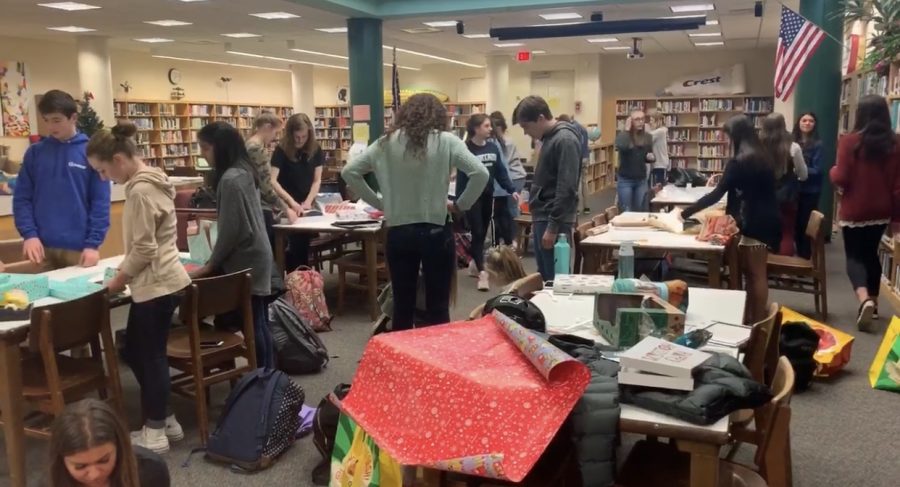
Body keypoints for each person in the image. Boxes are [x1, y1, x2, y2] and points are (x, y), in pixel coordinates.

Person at [85, 122, 191, 454]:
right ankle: (166, 419)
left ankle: (155, 431)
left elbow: (144, 249)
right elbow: (147, 246)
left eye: (103, 171)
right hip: (160, 280)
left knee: (150, 355)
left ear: (118, 159)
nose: (104, 179)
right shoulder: (149, 182)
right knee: (135, 351)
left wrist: (117, 281)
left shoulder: (141, 191)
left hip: (156, 284)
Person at [342, 93, 488, 331]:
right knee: (438, 306)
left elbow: (350, 172)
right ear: (438, 116)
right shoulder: (447, 141)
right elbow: (480, 174)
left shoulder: (384, 143)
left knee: (402, 304)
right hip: (436, 231)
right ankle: (435, 362)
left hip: (399, 231)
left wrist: (380, 203)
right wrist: (462, 205)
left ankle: (405, 362)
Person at [679, 115, 780, 324]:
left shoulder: (740, 162)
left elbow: (716, 194)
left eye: (727, 136)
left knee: (756, 274)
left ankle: (759, 322)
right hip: (766, 217)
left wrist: (684, 213)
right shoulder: (763, 156)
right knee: (754, 274)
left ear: (736, 136)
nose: (725, 141)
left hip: (755, 221)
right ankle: (753, 318)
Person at [192, 121, 275, 368]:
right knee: (258, 320)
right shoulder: (243, 170)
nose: (202, 155)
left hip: (245, 258)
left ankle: (263, 377)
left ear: (221, 147)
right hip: (257, 253)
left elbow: (230, 230)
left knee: (254, 323)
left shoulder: (230, 179)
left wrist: (211, 264)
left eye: (205, 148)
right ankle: (268, 374)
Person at [13, 89, 110, 270]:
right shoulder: (35, 153)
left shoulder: (91, 152)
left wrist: (93, 244)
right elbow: (22, 198)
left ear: (73, 118)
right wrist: (29, 235)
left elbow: (100, 202)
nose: (51, 127)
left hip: (80, 247)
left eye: (56, 120)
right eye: (46, 120)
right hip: (41, 247)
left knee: (81, 297)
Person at [830, 95, 900, 331]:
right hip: (882, 209)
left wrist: (832, 172)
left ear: (860, 114)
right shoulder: (896, 144)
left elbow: (841, 177)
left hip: (855, 208)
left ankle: (864, 299)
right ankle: (876, 305)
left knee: (854, 257)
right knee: (871, 253)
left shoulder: (850, 142)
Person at [512, 96, 581, 282]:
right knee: (545, 276)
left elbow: (566, 188)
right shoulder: (551, 138)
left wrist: (552, 226)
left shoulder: (564, 139)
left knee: (555, 280)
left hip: (554, 218)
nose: (526, 133)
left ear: (541, 118)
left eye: (526, 126)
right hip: (545, 214)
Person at [49, 398, 170, 487]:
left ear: (119, 447)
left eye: (103, 460)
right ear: (61, 460)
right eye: (80, 466)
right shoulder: (50, 483)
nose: (94, 475)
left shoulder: (150, 470)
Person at [461, 113, 519, 291]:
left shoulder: (493, 148)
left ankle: (476, 264)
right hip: (472, 198)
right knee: (477, 232)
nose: (491, 129)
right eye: (486, 126)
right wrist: (459, 201)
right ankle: (482, 273)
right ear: (476, 129)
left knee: (481, 233)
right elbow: (462, 178)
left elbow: (500, 171)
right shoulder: (465, 149)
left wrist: (511, 190)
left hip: (488, 196)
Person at [271, 113, 323, 271]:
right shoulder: (281, 150)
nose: (300, 140)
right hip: (286, 204)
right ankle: (298, 282)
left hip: (306, 204)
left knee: (302, 244)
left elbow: (317, 180)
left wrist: (308, 201)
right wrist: (291, 203)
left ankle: (302, 282)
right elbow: (272, 181)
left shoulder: (316, 149)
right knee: (293, 245)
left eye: (304, 136)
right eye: (296, 137)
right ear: (290, 135)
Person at [246, 112, 296, 249]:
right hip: (261, 209)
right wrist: (286, 209)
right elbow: (266, 187)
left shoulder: (247, 145)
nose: (274, 138)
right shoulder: (256, 149)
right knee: (274, 252)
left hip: (253, 205)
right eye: (275, 133)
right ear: (267, 127)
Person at [760, 113, 808, 256]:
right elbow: (803, 175)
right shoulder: (793, 147)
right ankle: (784, 269)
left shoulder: (757, 146)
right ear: (783, 126)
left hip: (762, 197)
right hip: (786, 197)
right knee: (787, 233)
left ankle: (761, 268)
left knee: (763, 232)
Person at [490, 111, 526, 249]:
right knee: (508, 210)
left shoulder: (504, 142)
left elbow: (502, 162)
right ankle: (510, 239)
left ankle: (514, 240)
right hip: (514, 177)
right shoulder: (502, 140)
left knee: (511, 210)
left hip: (514, 177)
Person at [793, 112, 824, 259]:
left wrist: (799, 170)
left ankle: (804, 256)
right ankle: (796, 254)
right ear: (798, 122)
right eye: (804, 120)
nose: (807, 123)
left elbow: (817, 170)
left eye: (811, 121)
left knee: (805, 225)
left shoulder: (818, 144)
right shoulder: (793, 142)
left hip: (810, 191)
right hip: (794, 189)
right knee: (794, 224)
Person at [615, 110, 655, 212]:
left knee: (641, 211)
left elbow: (647, 156)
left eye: (642, 119)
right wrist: (627, 130)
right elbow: (622, 146)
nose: (641, 122)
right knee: (626, 211)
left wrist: (650, 157)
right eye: (637, 119)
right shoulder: (623, 136)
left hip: (641, 179)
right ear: (630, 121)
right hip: (625, 179)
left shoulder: (647, 137)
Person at [557, 114, 591, 213]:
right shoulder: (583, 129)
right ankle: (587, 207)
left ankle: (577, 208)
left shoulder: (571, 130)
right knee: (585, 182)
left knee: (577, 183)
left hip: (577, 157)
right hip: (586, 157)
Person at [646, 110, 670, 187]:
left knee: (659, 189)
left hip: (660, 164)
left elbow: (645, 138)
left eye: (652, 120)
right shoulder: (658, 131)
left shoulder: (660, 131)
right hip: (656, 164)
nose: (650, 122)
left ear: (658, 121)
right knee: (656, 188)